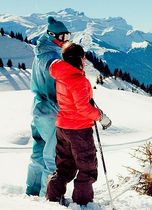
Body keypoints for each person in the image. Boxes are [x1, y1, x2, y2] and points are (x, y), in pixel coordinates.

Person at [46, 42, 112, 206]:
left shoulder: (61, 75)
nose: (85, 61)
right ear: (78, 59)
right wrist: (100, 116)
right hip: (79, 130)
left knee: (65, 166)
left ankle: (53, 199)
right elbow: (82, 108)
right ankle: (82, 204)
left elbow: (74, 101)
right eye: (83, 58)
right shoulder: (78, 80)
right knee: (87, 167)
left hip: (62, 126)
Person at [26, 16, 71, 197]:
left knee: (38, 151)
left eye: (68, 36)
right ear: (52, 35)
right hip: (51, 110)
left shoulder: (42, 52)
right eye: (62, 38)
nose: (65, 41)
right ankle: (49, 196)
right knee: (52, 156)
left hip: (38, 109)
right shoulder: (51, 56)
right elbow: (55, 68)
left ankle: (32, 191)